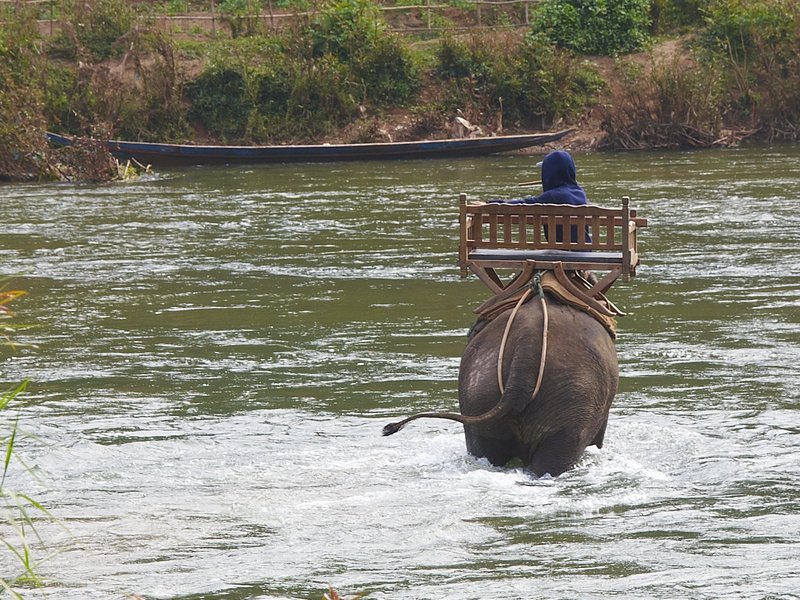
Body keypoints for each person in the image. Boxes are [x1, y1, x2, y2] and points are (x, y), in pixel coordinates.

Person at [490, 150, 590, 243]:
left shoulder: (552, 196)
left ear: (550, 174)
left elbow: (521, 206)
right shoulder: (580, 192)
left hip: (564, 252)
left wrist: (491, 204)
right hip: (585, 251)